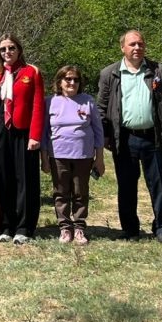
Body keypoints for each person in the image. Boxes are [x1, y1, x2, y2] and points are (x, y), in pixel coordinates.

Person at [97, 30, 162, 242]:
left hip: (154, 138)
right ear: (123, 48)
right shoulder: (109, 74)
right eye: (132, 44)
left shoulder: (160, 71)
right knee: (127, 187)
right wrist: (104, 136)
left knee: (159, 186)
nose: (137, 48)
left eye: (140, 44)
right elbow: (101, 108)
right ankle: (130, 230)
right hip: (125, 140)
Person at [0, 34, 45, 245]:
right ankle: (6, 225)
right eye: (3, 49)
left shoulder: (31, 72)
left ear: (19, 49)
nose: (7, 52)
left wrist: (35, 136)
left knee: (25, 180)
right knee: (3, 179)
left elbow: (39, 105)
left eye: (11, 48)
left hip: (23, 131)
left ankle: (24, 227)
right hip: (1, 130)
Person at [42, 66, 105, 245]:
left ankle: (79, 227)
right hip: (58, 154)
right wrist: (44, 158)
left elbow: (98, 131)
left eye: (75, 80)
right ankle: (64, 228)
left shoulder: (88, 101)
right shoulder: (50, 102)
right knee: (61, 192)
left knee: (80, 191)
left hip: (83, 155)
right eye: (67, 79)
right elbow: (44, 132)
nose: (72, 83)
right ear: (59, 82)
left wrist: (99, 158)